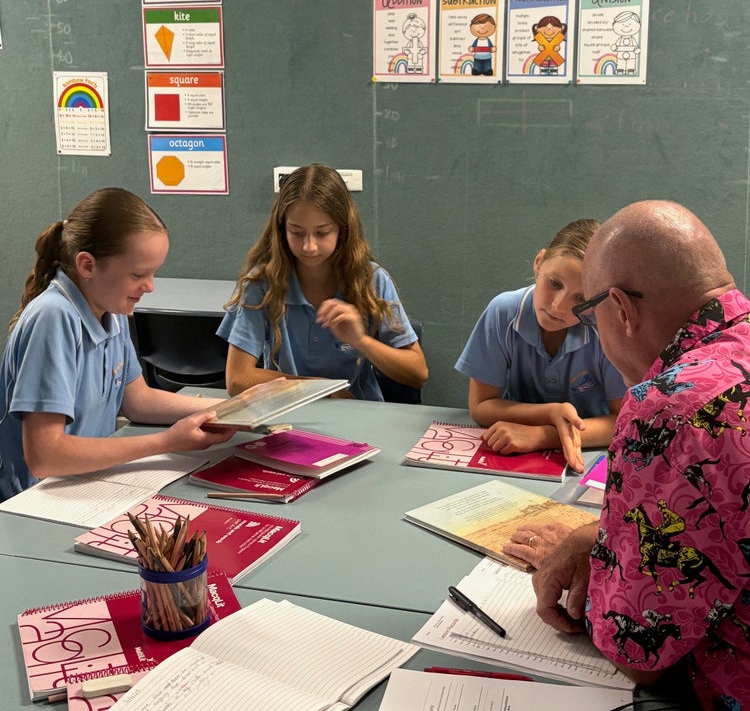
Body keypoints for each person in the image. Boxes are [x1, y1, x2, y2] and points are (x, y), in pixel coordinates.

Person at [532, 200, 750, 710]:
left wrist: (596, 555)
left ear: (621, 310)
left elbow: (636, 651)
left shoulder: (673, 407)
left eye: (590, 313)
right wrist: (606, 534)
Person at [0, 188, 234, 501]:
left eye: (153, 273)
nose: (149, 286)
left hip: (84, 484)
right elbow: (46, 456)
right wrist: (167, 442)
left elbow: (137, 400)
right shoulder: (53, 318)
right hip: (36, 498)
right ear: (87, 266)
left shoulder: (111, 305)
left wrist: (233, 409)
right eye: (138, 274)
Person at [218, 164, 427, 401]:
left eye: (322, 233)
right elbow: (237, 379)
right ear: (281, 230)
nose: (309, 247)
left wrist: (361, 341)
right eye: (296, 232)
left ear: (343, 230)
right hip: (288, 411)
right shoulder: (263, 283)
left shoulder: (372, 280)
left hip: (357, 413)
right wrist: (322, 388)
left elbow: (418, 373)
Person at [455, 218, 626, 481]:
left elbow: (623, 421)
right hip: (513, 455)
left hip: (590, 456)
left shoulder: (607, 329)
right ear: (539, 262)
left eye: (581, 299)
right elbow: (480, 406)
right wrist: (549, 413)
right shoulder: (502, 313)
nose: (558, 307)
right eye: (555, 283)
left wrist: (544, 435)